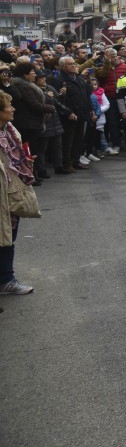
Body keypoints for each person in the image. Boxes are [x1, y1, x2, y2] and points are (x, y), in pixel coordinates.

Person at [0, 91, 36, 297]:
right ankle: (6, 279)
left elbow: (14, 158)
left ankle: (5, 278)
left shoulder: (9, 130)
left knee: (9, 235)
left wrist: (25, 162)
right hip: (2, 190)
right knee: (3, 236)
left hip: (11, 190)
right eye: (8, 106)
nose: (13, 109)